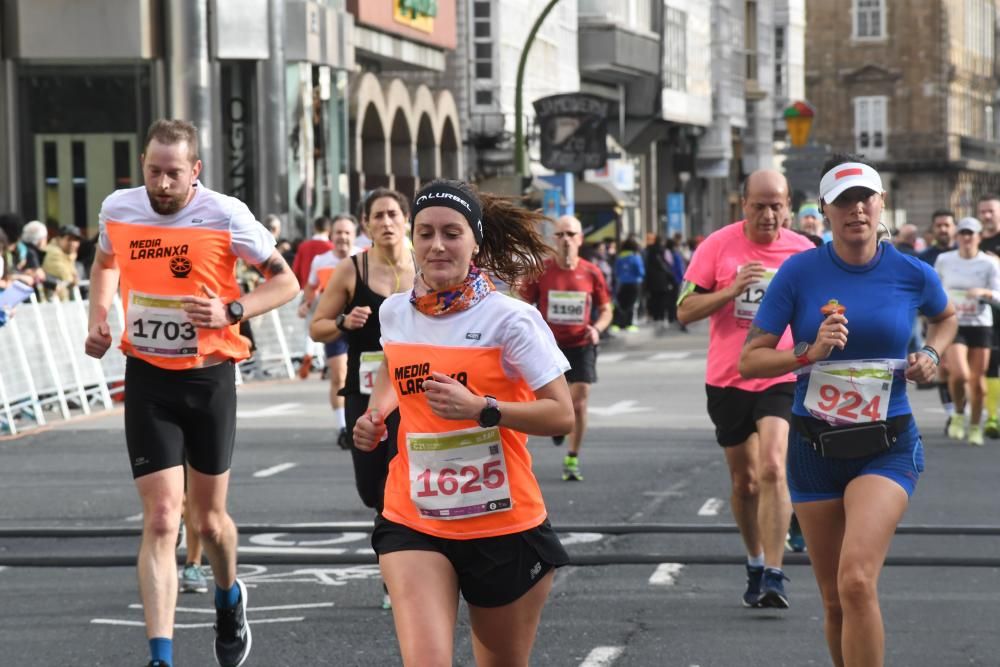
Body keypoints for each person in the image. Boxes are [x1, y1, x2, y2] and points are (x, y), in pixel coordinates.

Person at [84, 119, 299, 667]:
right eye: (153, 171)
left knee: (208, 523)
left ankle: (229, 598)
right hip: (149, 377)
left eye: (173, 174)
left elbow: (285, 282)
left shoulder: (226, 214)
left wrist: (233, 309)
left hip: (208, 378)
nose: (161, 184)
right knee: (161, 518)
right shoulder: (119, 209)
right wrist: (99, 317)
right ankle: (162, 656)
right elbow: (106, 261)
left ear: (194, 171)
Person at [739, 154, 956, 667]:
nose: (856, 209)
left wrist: (929, 354)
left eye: (865, 198)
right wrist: (808, 353)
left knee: (857, 580)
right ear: (824, 210)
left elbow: (945, 318)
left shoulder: (910, 271)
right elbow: (750, 360)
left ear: (881, 205)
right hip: (815, 446)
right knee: (835, 598)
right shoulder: (798, 272)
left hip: (887, 443)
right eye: (843, 201)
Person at [353, 179, 574, 667]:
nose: (437, 245)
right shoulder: (396, 314)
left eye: (451, 233)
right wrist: (377, 412)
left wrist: (484, 409)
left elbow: (561, 413)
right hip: (415, 517)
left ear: (474, 241)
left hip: (503, 522)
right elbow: (395, 370)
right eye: (425, 232)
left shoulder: (511, 320)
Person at [677, 169, 814, 608]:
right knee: (746, 482)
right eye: (760, 205)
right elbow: (684, 310)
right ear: (744, 206)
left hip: (780, 372)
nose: (769, 215)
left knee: (775, 466)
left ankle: (775, 574)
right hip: (728, 378)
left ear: (789, 206)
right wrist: (731, 289)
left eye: (777, 205)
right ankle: (755, 560)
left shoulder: (804, 251)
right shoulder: (716, 246)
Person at [518, 214, 612, 481]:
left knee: (579, 402)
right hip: (550, 346)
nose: (566, 240)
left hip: (582, 344)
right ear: (553, 239)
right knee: (550, 400)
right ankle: (559, 417)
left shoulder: (592, 272)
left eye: (571, 234)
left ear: (580, 239)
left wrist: (598, 328)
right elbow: (523, 307)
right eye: (560, 235)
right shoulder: (542, 271)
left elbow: (606, 310)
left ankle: (571, 455)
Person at [933, 217, 1000, 446]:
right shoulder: (944, 260)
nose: (966, 238)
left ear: (979, 237)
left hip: (981, 324)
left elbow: (998, 294)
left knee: (978, 382)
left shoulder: (989, 263)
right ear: (957, 236)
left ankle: (974, 427)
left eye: (971, 233)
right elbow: (934, 289)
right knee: (960, 374)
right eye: (962, 233)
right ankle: (958, 415)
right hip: (955, 322)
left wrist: (984, 293)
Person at [298, 214, 359, 447]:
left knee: (368, 376)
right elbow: (312, 286)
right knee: (339, 375)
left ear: (354, 236)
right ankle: (343, 427)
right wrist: (306, 303)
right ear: (331, 236)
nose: (342, 237)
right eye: (338, 233)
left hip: (362, 324)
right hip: (335, 323)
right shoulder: (321, 261)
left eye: (347, 233)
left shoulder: (364, 256)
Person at [974, 194, 1000, 438]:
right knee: (991, 366)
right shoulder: (975, 242)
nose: (987, 216)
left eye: (991, 211)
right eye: (983, 212)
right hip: (988, 314)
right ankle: (993, 418)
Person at [643, 236, 679, 335]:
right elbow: (667, 265)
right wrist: (671, 277)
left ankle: (655, 316)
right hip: (662, 279)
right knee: (663, 299)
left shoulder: (648, 251)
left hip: (651, 279)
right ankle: (661, 317)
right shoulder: (663, 251)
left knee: (653, 298)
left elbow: (646, 264)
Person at [611, 236, 645, 332]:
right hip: (634, 283)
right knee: (631, 304)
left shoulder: (619, 257)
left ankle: (617, 324)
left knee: (620, 303)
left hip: (621, 283)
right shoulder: (636, 257)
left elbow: (616, 271)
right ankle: (629, 324)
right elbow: (641, 272)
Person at [41, 224, 83, 300]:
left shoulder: (68, 255)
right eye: (69, 239)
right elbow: (68, 277)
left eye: (76, 240)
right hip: (52, 305)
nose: (73, 243)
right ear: (59, 238)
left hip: (62, 302)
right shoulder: (53, 253)